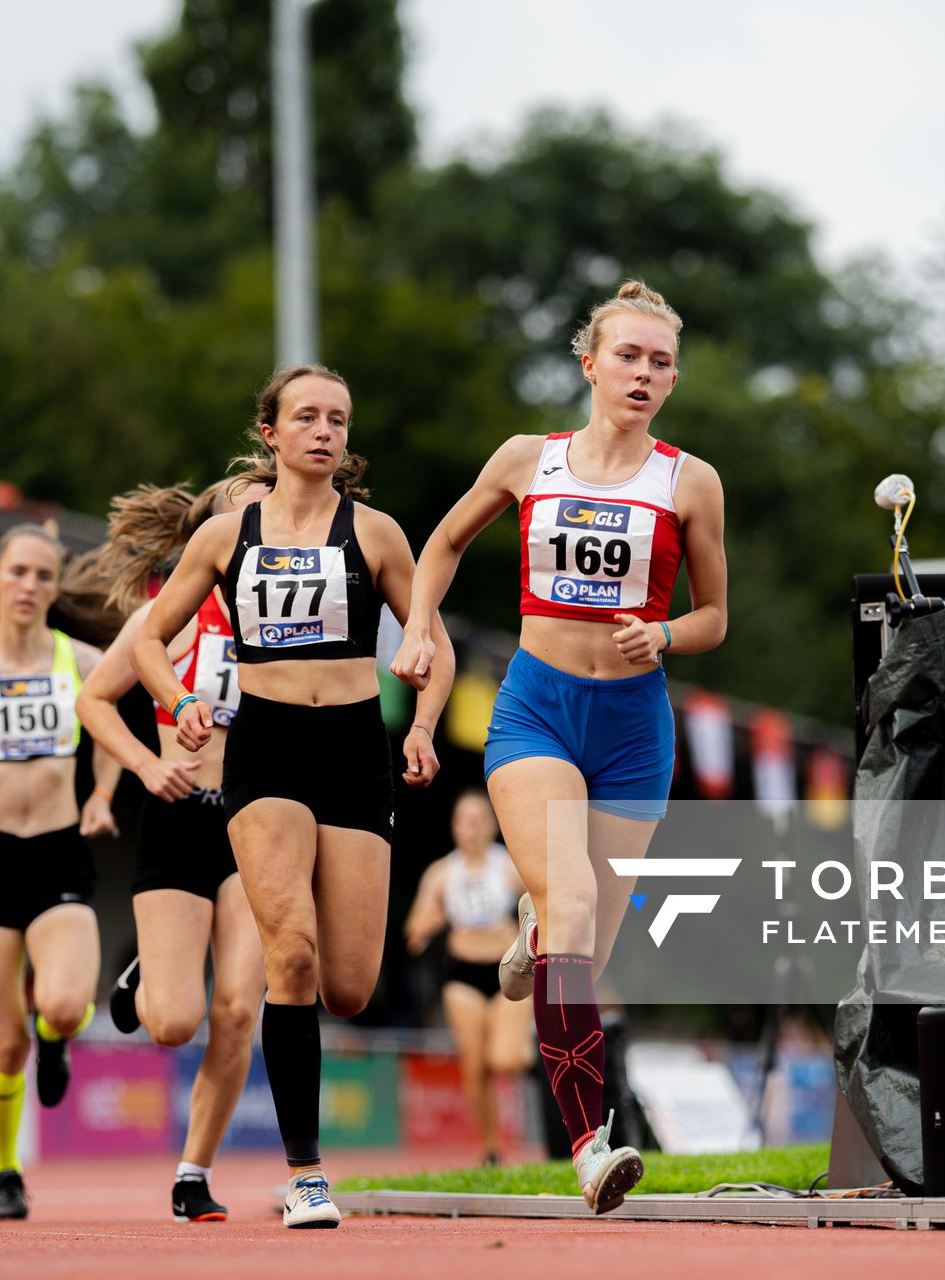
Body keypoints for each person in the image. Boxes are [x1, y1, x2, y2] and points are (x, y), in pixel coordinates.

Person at [391, 281, 728, 1214]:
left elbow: (714, 617)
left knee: (583, 941)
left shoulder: (688, 480)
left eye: (661, 362)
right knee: (571, 897)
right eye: (629, 356)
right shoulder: (526, 460)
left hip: (633, 729)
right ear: (590, 364)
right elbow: (444, 542)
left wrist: (663, 635)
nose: (645, 374)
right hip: (535, 710)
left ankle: (539, 932)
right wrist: (419, 626)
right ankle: (590, 1142)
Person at [134, 363, 453, 1229]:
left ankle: (303, 1156)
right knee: (294, 957)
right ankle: (306, 1174)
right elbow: (149, 643)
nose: (324, 431)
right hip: (265, 753)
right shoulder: (226, 535)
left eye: (338, 419)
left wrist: (422, 723)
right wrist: (182, 699)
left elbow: (433, 641)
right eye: (306, 417)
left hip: (355, 750)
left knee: (348, 985)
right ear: (269, 434)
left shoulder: (379, 533)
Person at [75, 479, 267, 1224]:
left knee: (237, 1009)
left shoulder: (287, 615)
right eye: (246, 507)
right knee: (175, 1023)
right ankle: (150, 971)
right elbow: (94, 699)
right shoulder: (170, 615)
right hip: (181, 817)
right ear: (211, 532)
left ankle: (195, 1172)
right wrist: (146, 765)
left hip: (255, 823)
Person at [0, 523, 118, 1220]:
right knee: (4, 1041)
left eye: (43, 576)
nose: (29, 586)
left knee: (67, 1004)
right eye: (17, 572)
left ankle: (59, 1044)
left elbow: (111, 728)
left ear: (55, 588)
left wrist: (103, 793)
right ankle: (5, 1170)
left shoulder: (82, 658)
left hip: (55, 849)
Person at [405, 789, 533, 1165]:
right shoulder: (442, 873)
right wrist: (428, 923)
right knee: (474, 1066)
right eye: (464, 821)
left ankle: (531, 1048)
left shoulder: (508, 866)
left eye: (479, 821)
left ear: (492, 826)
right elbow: (414, 930)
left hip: (507, 973)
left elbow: (542, 905)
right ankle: (491, 1150)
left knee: (504, 1059)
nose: (471, 829)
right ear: (454, 827)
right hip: (461, 974)